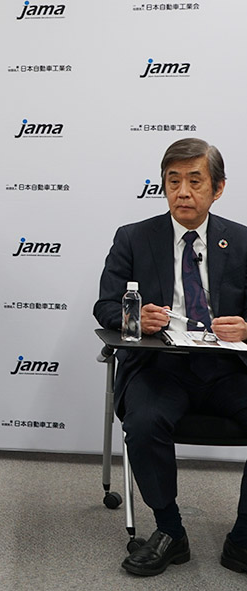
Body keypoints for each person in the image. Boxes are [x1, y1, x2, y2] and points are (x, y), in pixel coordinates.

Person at [94, 138, 247, 577]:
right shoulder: (134, 237)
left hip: (227, 369)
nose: (183, 192)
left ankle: (243, 537)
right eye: (173, 181)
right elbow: (105, 306)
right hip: (160, 366)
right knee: (143, 422)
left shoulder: (241, 240)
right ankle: (169, 530)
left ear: (218, 188)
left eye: (195, 181)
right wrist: (134, 318)